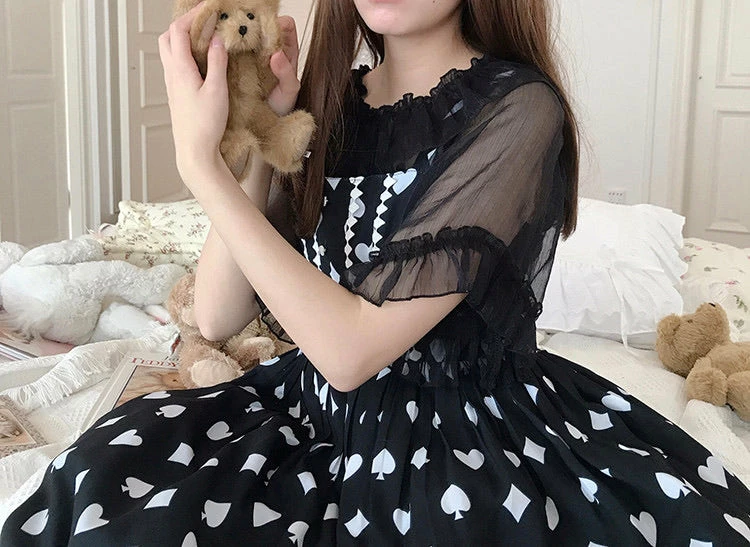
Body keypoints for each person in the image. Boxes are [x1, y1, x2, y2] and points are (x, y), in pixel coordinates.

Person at [3, 0, 750, 544]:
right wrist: (259, 140)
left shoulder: (519, 110)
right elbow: (220, 314)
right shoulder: (334, 104)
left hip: (458, 439)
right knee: (100, 489)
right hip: (306, 412)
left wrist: (197, 165)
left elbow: (351, 350)